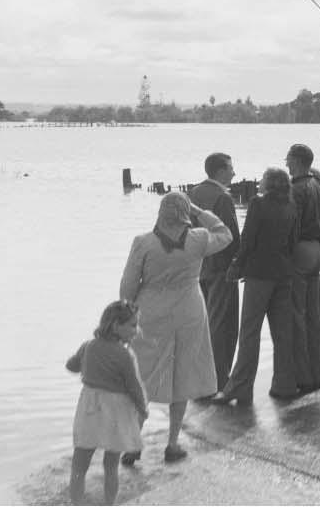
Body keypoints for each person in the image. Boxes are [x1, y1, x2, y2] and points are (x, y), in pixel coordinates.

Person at [118, 191, 233, 463]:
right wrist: (199, 210)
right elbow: (225, 233)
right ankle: (172, 444)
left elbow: (127, 286)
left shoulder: (143, 243)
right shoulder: (199, 239)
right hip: (189, 310)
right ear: (185, 214)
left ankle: (133, 444)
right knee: (182, 375)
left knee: (144, 375)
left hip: (151, 313)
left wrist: (127, 316)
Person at [215, 167, 300, 404]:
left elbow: (248, 238)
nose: (260, 181)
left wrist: (236, 265)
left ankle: (240, 388)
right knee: (282, 332)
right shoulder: (291, 206)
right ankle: (285, 384)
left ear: (270, 183)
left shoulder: (258, 204)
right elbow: (293, 242)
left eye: (263, 178)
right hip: (283, 275)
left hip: (259, 275)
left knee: (250, 332)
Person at [66, 300, 147, 505]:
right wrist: (142, 409)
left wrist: (82, 361)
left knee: (79, 464)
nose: (136, 330)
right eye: (132, 325)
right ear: (115, 326)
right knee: (111, 465)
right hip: (116, 412)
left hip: (90, 409)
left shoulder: (88, 346)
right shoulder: (125, 355)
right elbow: (134, 387)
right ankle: (109, 504)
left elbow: (71, 366)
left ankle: (76, 504)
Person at [187, 153, 241, 393]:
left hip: (198, 267)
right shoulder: (222, 198)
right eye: (230, 168)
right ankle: (219, 378)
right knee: (224, 325)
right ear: (219, 171)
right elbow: (231, 237)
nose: (234, 173)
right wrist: (239, 264)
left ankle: (199, 376)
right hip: (221, 268)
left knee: (202, 323)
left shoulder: (193, 194)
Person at [285, 143, 320, 393]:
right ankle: (317, 372)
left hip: (300, 249)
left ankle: (302, 376)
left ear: (296, 161)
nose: (286, 164)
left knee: (297, 314)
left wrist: (286, 254)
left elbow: (291, 226)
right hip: (317, 249)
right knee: (315, 315)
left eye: (288, 160)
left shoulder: (296, 189)